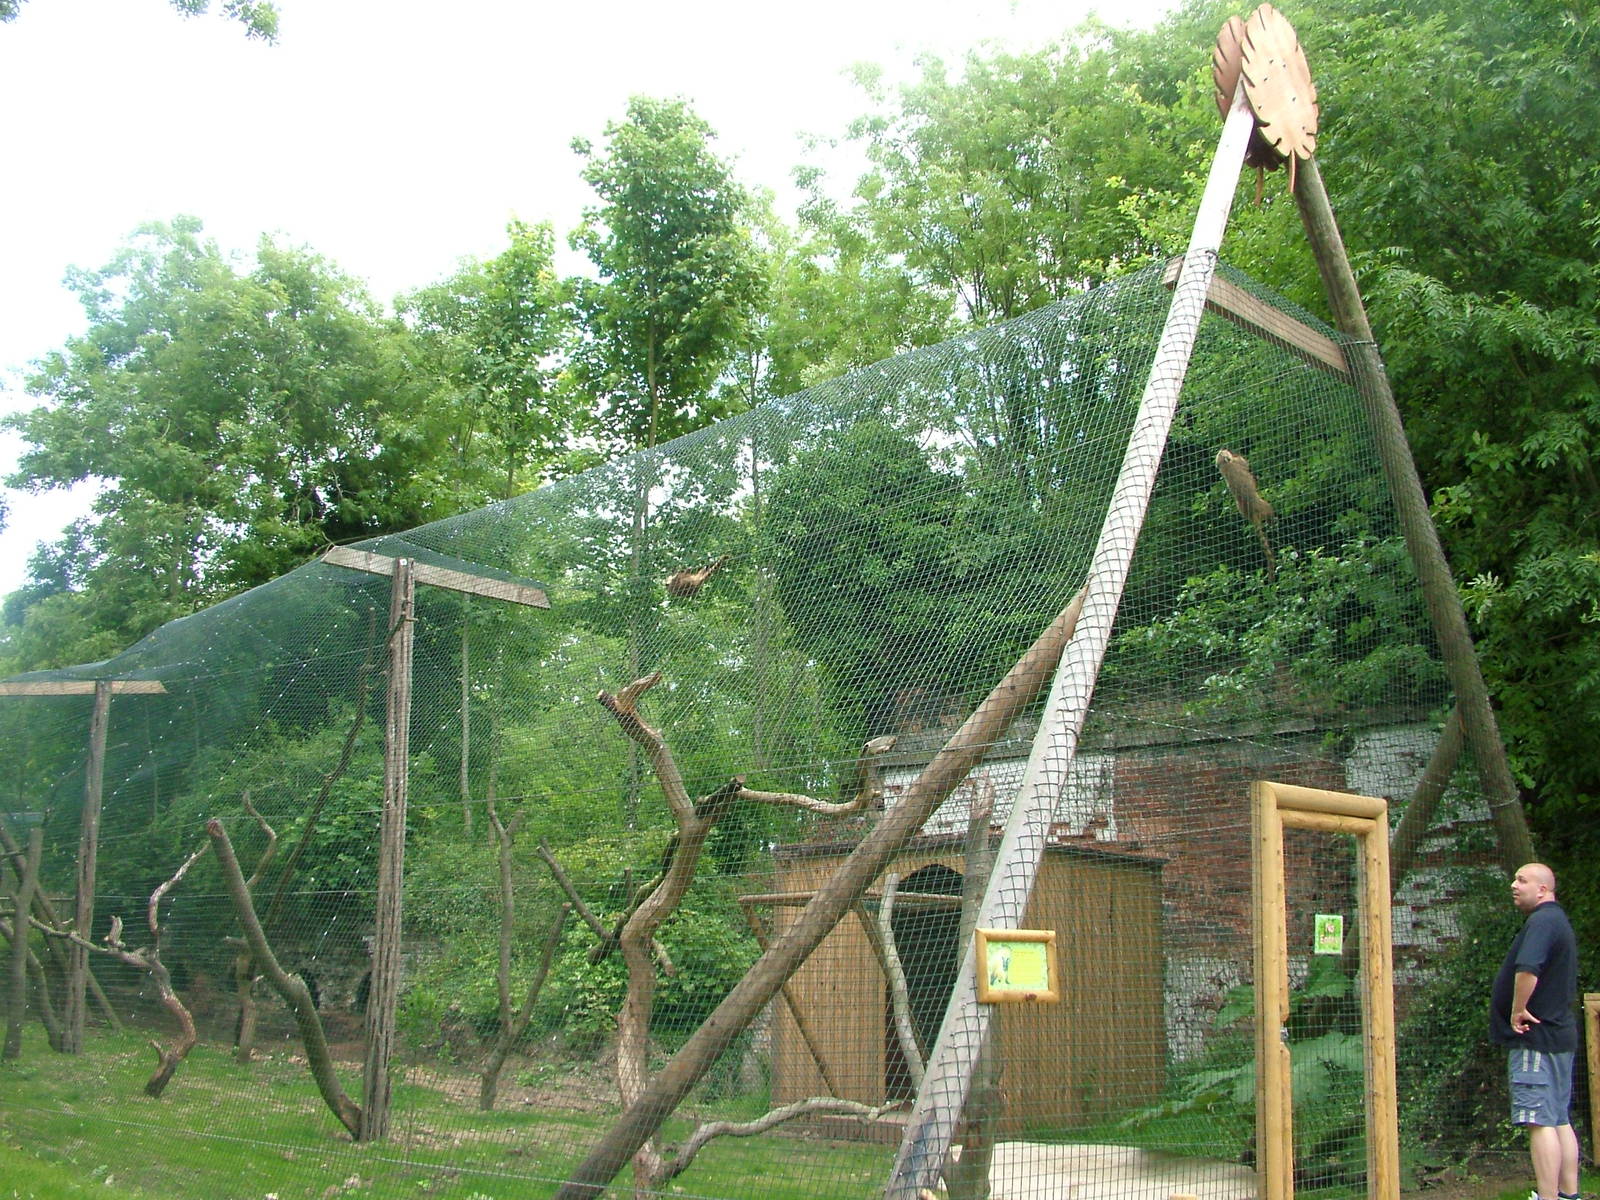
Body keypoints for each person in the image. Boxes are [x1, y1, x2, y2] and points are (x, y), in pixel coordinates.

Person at [1489, 862, 1581, 1200]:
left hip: (1535, 1039)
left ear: (1543, 889)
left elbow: (1528, 967)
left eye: (1522, 880)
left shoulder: (1542, 921)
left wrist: (1517, 1009)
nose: (1514, 885)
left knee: (1539, 1121)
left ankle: (1547, 1197)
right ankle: (1569, 1196)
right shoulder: (1558, 921)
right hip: (1559, 1036)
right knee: (1558, 1119)